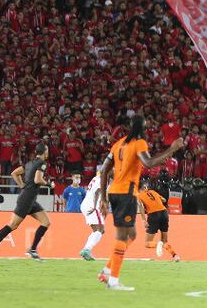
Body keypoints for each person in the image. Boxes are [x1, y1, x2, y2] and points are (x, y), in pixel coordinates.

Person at [98, 115, 185, 291]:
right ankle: (113, 281)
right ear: (143, 128)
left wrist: (104, 198)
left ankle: (107, 270)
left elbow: (105, 169)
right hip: (126, 193)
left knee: (131, 235)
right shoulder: (139, 143)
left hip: (114, 192)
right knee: (122, 236)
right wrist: (172, 148)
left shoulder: (118, 144)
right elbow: (149, 163)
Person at [0, 142, 53, 262]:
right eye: (47, 150)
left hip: (30, 199)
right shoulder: (42, 163)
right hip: (26, 200)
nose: (48, 152)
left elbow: (14, 173)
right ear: (45, 151)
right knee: (12, 225)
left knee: (46, 222)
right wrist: (48, 184)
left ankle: (32, 249)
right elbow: (38, 179)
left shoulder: (29, 163)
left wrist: (22, 186)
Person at [137, 179, 179, 261]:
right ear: (144, 186)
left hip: (153, 215)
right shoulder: (153, 192)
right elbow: (164, 200)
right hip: (164, 213)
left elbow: (140, 206)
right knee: (164, 240)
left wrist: (143, 220)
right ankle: (175, 256)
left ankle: (158, 244)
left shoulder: (139, 196)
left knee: (147, 243)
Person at [78, 169, 107, 261]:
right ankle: (87, 249)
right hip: (92, 205)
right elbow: (97, 192)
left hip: (86, 204)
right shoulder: (103, 179)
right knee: (100, 230)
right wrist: (95, 206)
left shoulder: (96, 178)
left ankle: (86, 250)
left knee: (98, 230)